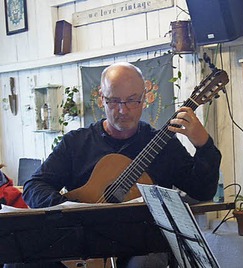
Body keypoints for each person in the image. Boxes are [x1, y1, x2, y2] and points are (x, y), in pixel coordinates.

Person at [12, 62, 222, 268]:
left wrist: (203, 144)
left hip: (141, 248)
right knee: (19, 261)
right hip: (82, 248)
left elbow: (203, 191)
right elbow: (34, 186)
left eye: (132, 100)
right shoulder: (76, 143)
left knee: (147, 262)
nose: (123, 110)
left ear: (144, 98)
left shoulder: (164, 145)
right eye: (114, 101)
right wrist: (71, 211)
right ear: (102, 99)